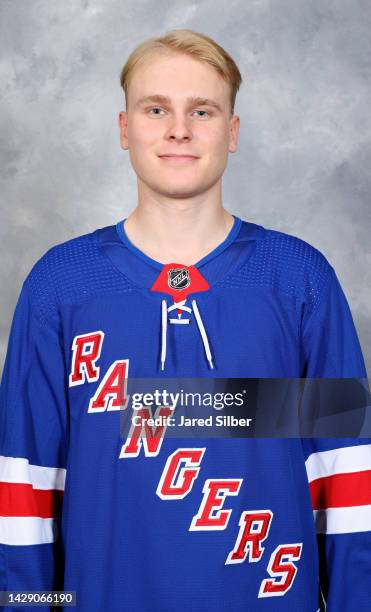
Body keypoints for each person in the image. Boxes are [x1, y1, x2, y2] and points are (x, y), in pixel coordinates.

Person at [0, 29, 370, 612]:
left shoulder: (301, 280)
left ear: (233, 130)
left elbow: (348, 482)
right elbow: (24, 489)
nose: (179, 129)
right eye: (156, 109)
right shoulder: (59, 285)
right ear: (125, 129)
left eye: (202, 110)